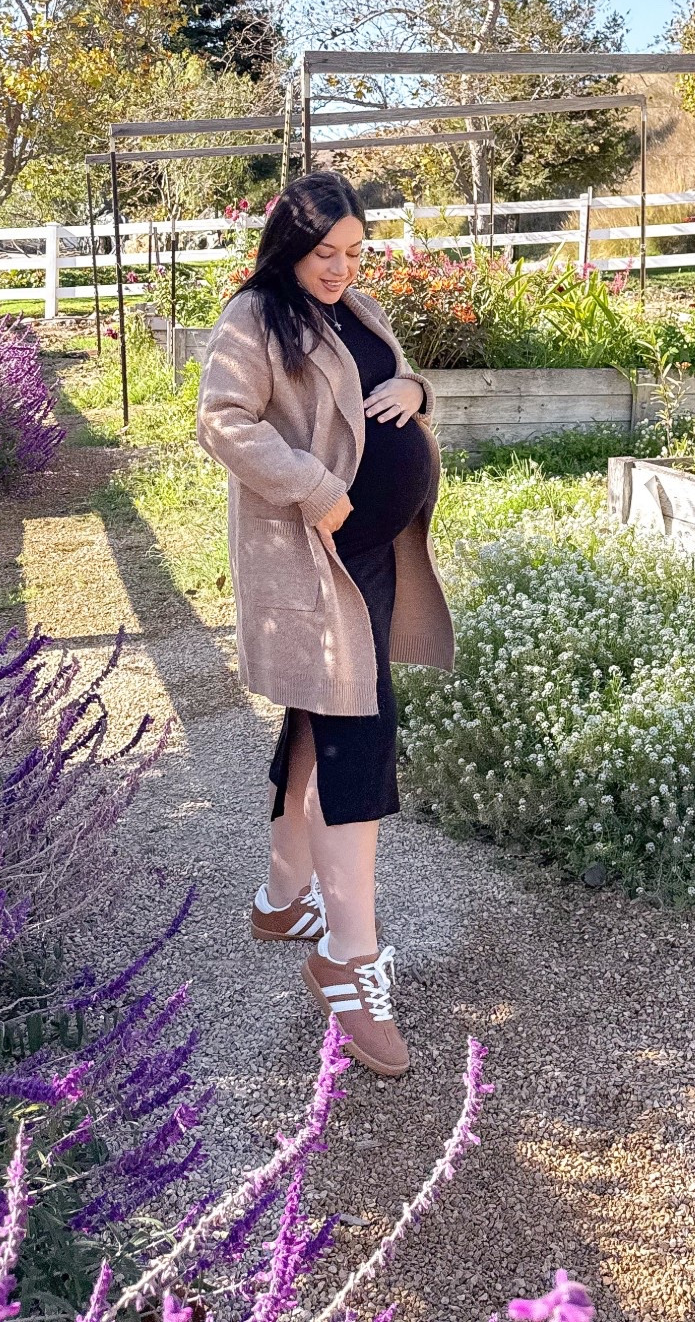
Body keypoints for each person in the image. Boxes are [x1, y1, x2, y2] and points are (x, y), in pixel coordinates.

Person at [195, 172, 454, 1077]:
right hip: (317, 566)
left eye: (353, 252)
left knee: (319, 718)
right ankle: (346, 961)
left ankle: (279, 899)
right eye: (325, 254)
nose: (341, 268)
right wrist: (318, 491)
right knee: (356, 739)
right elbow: (220, 421)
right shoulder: (256, 320)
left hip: (375, 561)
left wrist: (415, 391)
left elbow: (383, 380)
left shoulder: (359, 306)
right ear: (288, 248)